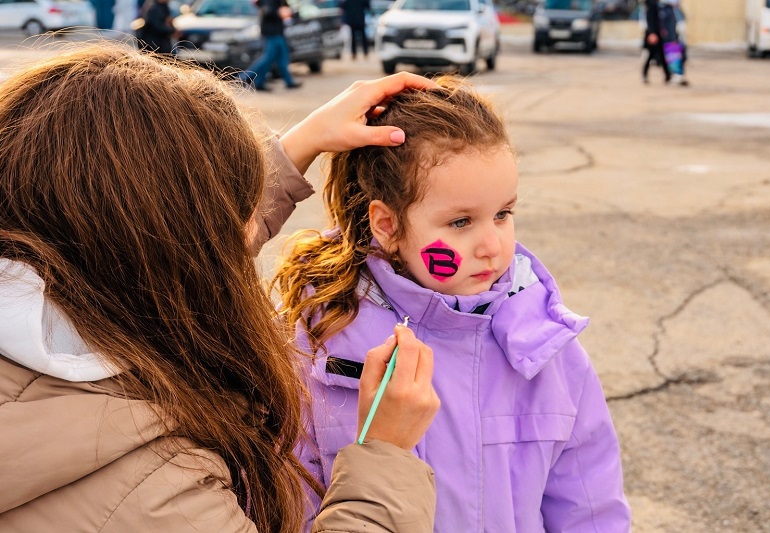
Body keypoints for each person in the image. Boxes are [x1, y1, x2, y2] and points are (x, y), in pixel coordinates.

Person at [0, 43, 441, 532]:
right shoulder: (153, 491)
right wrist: (386, 456)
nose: (251, 228)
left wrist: (303, 142)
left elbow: (173, 251)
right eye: (238, 214)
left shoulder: (53, 291)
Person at [274, 77, 632, 531]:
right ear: (387, 224)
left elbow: (590, 507)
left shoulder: (545, 347)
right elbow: (289, 502)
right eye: (461, 221)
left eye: (503, 213)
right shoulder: (323, 344)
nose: (491, 245)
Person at [239, 0, 301, 91]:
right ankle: (243, 77)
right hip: (272, 32)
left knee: (281, 58)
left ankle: (286, 82)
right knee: (268, 58)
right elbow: (268, 11)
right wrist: (279, 12)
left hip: (277, 31)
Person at [659, 0, 689, 86]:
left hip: (678, 39)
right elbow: (668, 27)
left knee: (682, 55)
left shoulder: (677, 10)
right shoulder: (666, 10)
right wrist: (672, 38)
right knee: (673, 56)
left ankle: (679, 74)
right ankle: (675, 75)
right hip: (672, 41)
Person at [640, 0, 670, 84]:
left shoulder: (656, 5)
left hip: (657, 33)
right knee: (651, 55)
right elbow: (650, 20)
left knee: (661, 55)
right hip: (653, 35)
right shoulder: (651, 5)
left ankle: (667, 75)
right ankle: (645, 75)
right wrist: (652, 33)